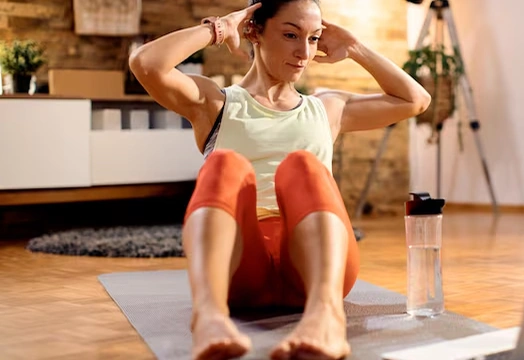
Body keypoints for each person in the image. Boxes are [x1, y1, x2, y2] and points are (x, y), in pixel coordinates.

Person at [129, 0, 431, 359]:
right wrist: (220, 28)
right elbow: (146, 63)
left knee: (302, 165)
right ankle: (209, 316)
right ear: (254, 31)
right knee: (224, 163)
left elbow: (416, 100)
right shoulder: (215, 103)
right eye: (291, 35)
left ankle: (326, 317)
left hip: (315, 266)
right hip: (241, 265)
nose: (304, 52)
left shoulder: (327, 108)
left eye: (314, 38)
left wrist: (355, 49)